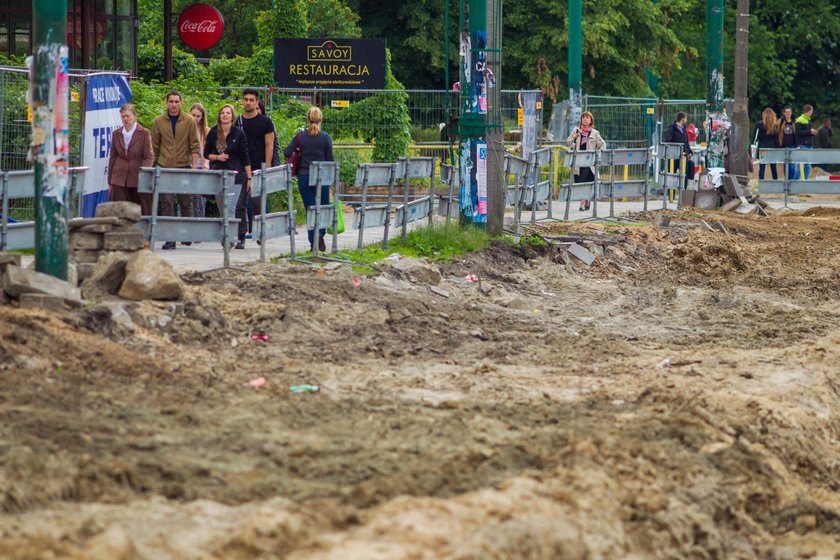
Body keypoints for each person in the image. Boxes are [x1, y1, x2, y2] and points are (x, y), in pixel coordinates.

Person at [151, 90, 199, 250]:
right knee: (166, 202)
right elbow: (154, 147)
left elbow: (194, 144)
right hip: (165, 166)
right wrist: (151, 166)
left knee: (185, 201)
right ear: (166, 103)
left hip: (183, 166)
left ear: (181, 103)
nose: (173, 104)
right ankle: (169, 238)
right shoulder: (159, 121)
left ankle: (187, 233)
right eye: (171, 101)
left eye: (176, 101)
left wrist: (193, 166)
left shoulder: (189, 121)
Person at [284, 106, 334, 252]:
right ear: (321, 120)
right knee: (323, 208)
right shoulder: (326, 138)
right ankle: (321, 234)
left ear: (307, 119)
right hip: (322, 178)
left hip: (304, 177)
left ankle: (313, 243)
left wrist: (299, 150)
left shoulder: (300, 136)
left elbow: (287, 152)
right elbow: (330, 160)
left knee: (310, 210)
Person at [204, 104, 251, 247]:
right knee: (222, 209)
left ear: (232, 116)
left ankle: (230, 239)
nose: (224, 115)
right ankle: (226, 235)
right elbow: (206, 154)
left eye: (228, 113)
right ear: (219, 116)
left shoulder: (239, 133)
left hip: (235, 176)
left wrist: (249, 178)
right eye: (222, 113)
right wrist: (218, 157)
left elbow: (245, 156)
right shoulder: (213, 133)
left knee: (230, 207)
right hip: (218, 174)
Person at [234, 88, 276, 249]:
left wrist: (267, 167)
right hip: (241, 168)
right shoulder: (237, 121)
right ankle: (240, 237)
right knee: (239, 204)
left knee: (257, 203)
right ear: (242, 101)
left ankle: (259, 232)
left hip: (258, 167)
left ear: (257, 102)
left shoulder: (265, 122)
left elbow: (269, 145)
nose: (248, 102)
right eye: (246, 99)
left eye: (252, 99)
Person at [107, 103, 154, 215]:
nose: (125, 119)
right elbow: (112, 158)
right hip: (119, 177)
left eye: (128, 116)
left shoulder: (144, 133)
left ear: (134, 116)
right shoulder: (116, 134)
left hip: (137, 176)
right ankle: (121, 231)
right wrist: (110, 180)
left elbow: (149, 156)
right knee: (120, 210)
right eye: (123, 117)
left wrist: (144, 173)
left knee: (140, 208)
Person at [566, 111, 606, 212]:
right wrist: (574, 137)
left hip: (590, 163)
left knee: (587, 182)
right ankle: (585, 201)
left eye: (587, 117)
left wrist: (598, 156)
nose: (585, 119)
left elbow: (602, 145)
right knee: (579, 182)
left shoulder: (595, 133)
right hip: (578, 162)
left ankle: (583, 203)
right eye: (583, 117)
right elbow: (568, 142)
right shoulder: (576, 131)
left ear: (591, 120)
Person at [189, 103, 211, 220]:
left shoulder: (206, 131)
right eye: (193, 115)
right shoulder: (185, 129)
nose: (195, 118)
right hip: (188, 166)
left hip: (201, 167)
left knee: (200, 198)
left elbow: (208, 150)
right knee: (187, 198)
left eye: (198, 116)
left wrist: (206, 163)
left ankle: (199, 224)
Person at [663, 111, 694, 189]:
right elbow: (667, 141)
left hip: (684, 155)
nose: (686, 120)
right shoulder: (671, 129)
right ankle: (671, 193)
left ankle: (684, 192)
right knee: (672, 175)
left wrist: (689, 151)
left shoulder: (684, 130)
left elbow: (686, 142)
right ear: (682, 119)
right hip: (673, 156)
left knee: (685, 175)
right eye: (685, 118)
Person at [755, 107, 780, 180]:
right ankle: (775, 183)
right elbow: (777, 140)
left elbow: (755, 137)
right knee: (773, 167)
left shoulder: (759, 125)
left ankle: (761, 184)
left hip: (762, 147)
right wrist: (778, 150)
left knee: (762, 167)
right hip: (772, 148)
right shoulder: (775, 126)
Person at [794, 104, 817, 179]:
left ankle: (805, 183)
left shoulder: (808, 119)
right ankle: (795, 182)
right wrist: (809, 131)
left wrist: (812, 133)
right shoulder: (800, 119)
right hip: (803, 145)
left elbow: (806, 132)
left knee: (807, 166)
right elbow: (798, 132)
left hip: (809, 145)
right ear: (809, 111)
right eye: (811, 111)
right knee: (801, 165)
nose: (812, 113)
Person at [777, 105, 797, 179]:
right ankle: (787, 180)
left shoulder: (794, 122)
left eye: (789, 112)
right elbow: (776, 131)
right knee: (785, 164)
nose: (788, 113)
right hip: (783, 145)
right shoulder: (780, 122)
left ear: (791, 113)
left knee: (792, 164)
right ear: (784, 113)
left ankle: (792, 180)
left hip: (793, 145)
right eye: (787, 112)